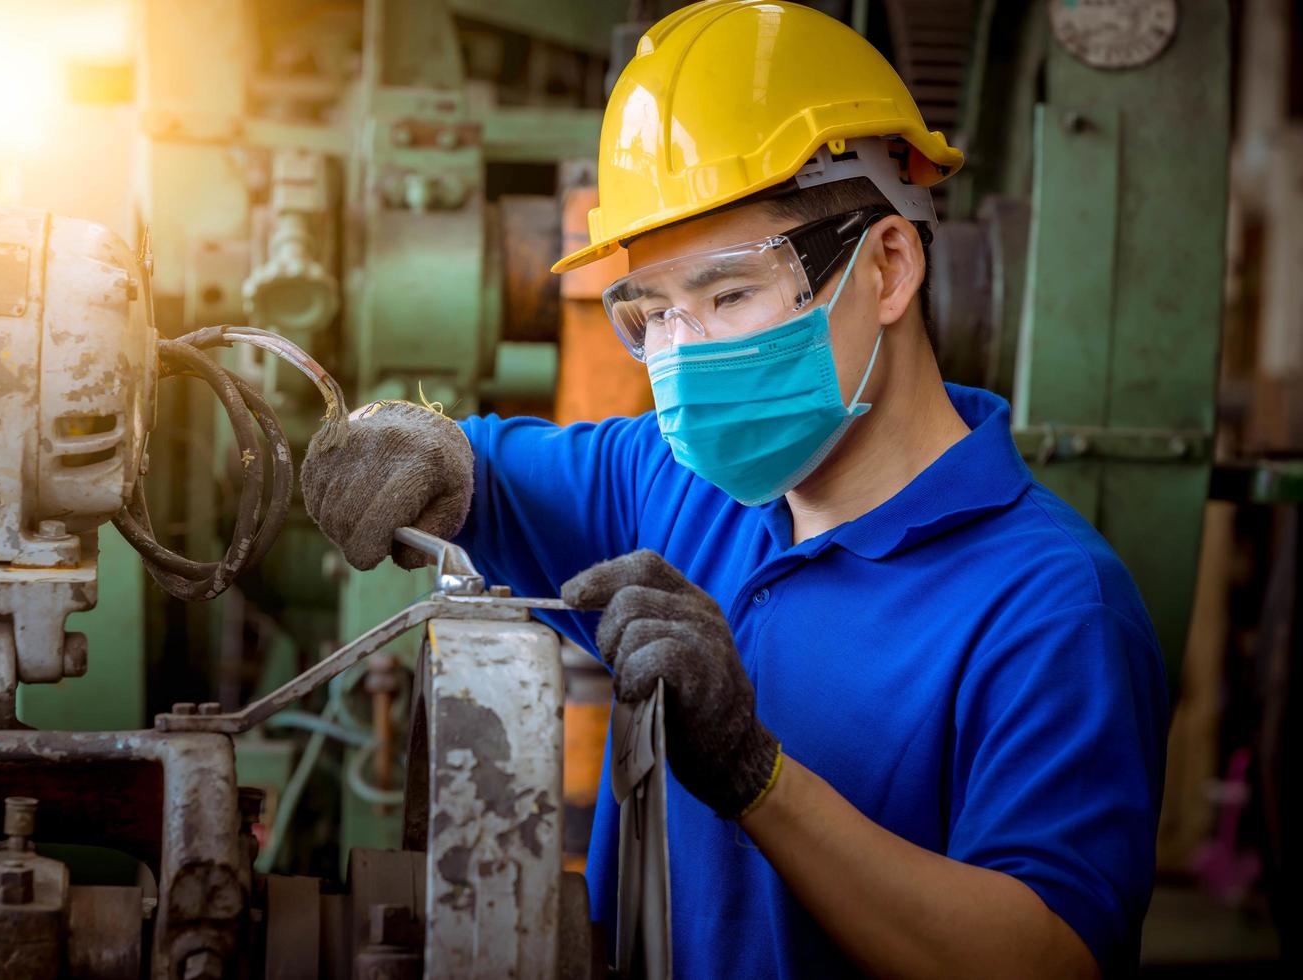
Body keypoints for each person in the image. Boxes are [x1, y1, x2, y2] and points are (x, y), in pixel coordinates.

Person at [302, 2, 1166, 976]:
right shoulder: (678, 486)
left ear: (888, 265)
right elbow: (480, 472)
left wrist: (758, 777)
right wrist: (406, 445)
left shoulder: (1049, 606)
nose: (684, 354)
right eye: (653, 313)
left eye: (726, 295)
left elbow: (1046, 956)